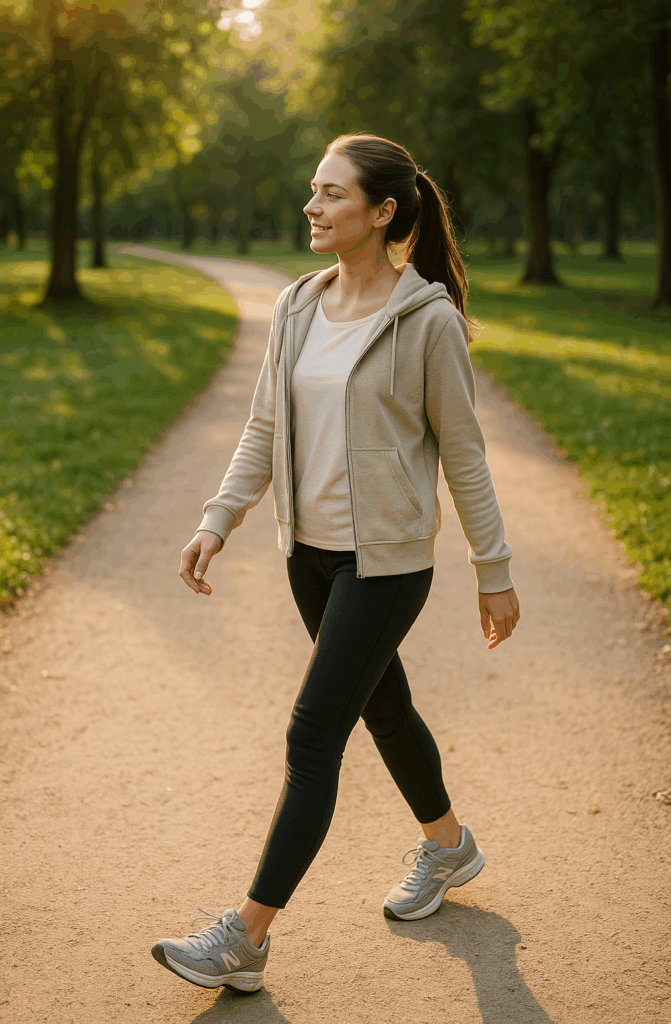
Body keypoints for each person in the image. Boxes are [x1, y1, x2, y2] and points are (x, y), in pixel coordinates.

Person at [151, 132, 520, 993]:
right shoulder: (296, 306)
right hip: (306, 555)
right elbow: (263, 428)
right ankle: (448, 846)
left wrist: (491, 568)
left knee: (312, 734)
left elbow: (463, 457)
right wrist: (219, 518)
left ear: (382, 211)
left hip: (385, 563)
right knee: (383, 709)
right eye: (311, 191)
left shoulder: (427, 323)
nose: (311, 207)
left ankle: (245, 937)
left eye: (330, 194)